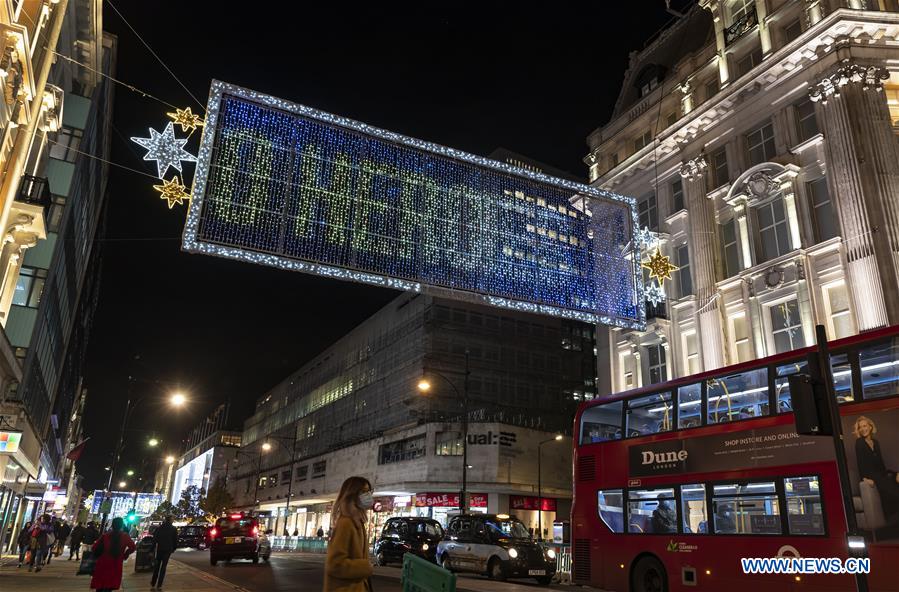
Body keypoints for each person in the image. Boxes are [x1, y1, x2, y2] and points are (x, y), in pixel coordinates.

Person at [324, 476, 374, 592]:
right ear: (352, 494)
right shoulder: (346, 523)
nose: (368, 495)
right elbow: (335, 564)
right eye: (364, 491)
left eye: (369, 491)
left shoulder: (357, 522)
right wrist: (365, 567)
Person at [854, 415, 899, 519]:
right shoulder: (859, 442)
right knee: (893, 491)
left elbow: (881, 464)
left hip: (881, 473)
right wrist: (864, 478)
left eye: (865, 426)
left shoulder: (876, 442)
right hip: (872, 476)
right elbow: (860, 463)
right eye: (860, 427)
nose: (862, 429)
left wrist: (893, 474)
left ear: (870, 427)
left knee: (896, 476)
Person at [90, 517, 136, 592]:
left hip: (103, 563)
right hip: (116, 564)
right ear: (121, 525)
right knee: (110, 586)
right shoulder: (125, 536)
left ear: (112, 525)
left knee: (100, 586)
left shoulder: (105, 536)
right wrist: (126, 554)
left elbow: (94, 548)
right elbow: (133, 547)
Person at [150, 516, 178, 591]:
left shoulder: (159, 528)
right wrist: (174, 548)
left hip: (160, 549)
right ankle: (159, 584)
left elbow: (154, 539)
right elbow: (175, 540)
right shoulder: (173, 529)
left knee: (157, 565)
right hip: (168, 550)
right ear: (170, 520)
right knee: (163, 567)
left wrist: (151, 549)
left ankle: (153, 582)